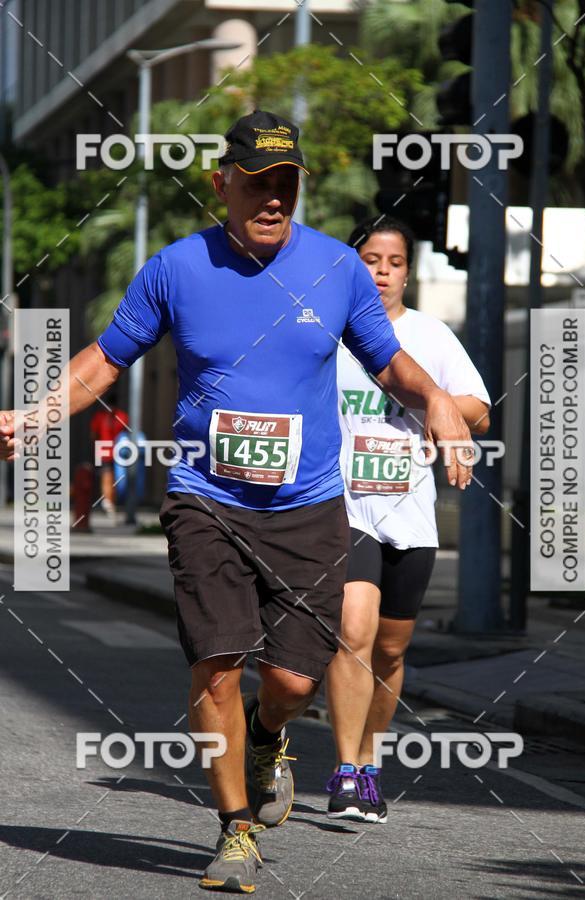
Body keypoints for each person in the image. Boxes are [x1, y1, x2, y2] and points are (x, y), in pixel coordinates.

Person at [0, 112, 473, 895]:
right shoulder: (176, 269)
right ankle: (235, 827)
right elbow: (107, 360)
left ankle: (265, 732)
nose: (274, 197)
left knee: (293, 683)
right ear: (222, 184)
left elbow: (389, 363)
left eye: (286, 182)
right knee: (217, 666)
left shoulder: (336, 268)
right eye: (257, 182)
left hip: (309, 506)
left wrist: (438, 400)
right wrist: (36, 414)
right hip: (205, 499)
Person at [325, 215, 491, 824]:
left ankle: (369, 763)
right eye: (371, 260)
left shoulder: (431, 335)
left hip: (411, 513)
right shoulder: (330, 331)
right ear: (352, 265)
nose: (383, 272)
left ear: (408, 272)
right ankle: (345, 771)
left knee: (391, 651)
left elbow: (481, 410)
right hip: (345, 506)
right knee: (353, 631)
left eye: (394, 263)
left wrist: (437, 407)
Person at [89, 389, 129, 518]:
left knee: (110, 477)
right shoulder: (121, 416)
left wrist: (96, 446)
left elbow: (93, 435)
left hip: (109, 452)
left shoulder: (101, 416)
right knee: (110, 476)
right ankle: (109, 502)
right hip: (116, 453)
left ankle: (109, 501)